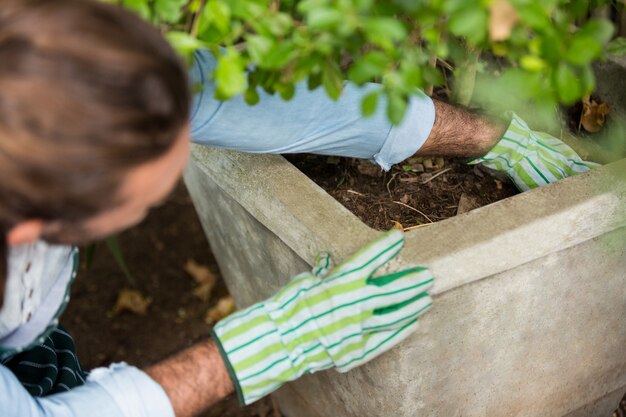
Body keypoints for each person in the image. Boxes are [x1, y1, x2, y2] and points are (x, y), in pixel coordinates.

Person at [0, 1, 599, 416]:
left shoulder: (44, 82)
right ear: (33, 225)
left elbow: (251, 101)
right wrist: (267, 344)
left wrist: (488, 137)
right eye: (148, 196)